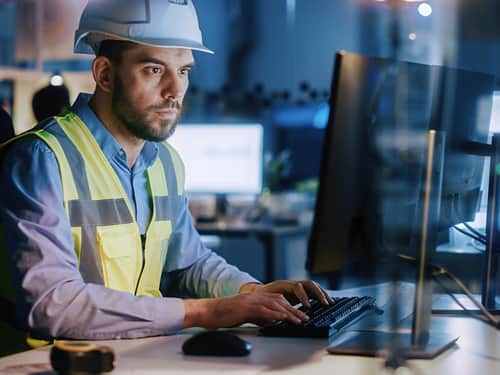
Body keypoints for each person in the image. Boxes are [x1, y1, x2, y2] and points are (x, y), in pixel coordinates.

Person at [0, 0, 333, 341]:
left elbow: (187, 264)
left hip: (131, 358)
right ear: (105, 74)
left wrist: (250, 292)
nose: (175, 92)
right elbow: (52, 305)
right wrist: (208, 312)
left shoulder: (165, 162)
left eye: (184, 71)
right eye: (154, 70)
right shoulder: (41, 160)